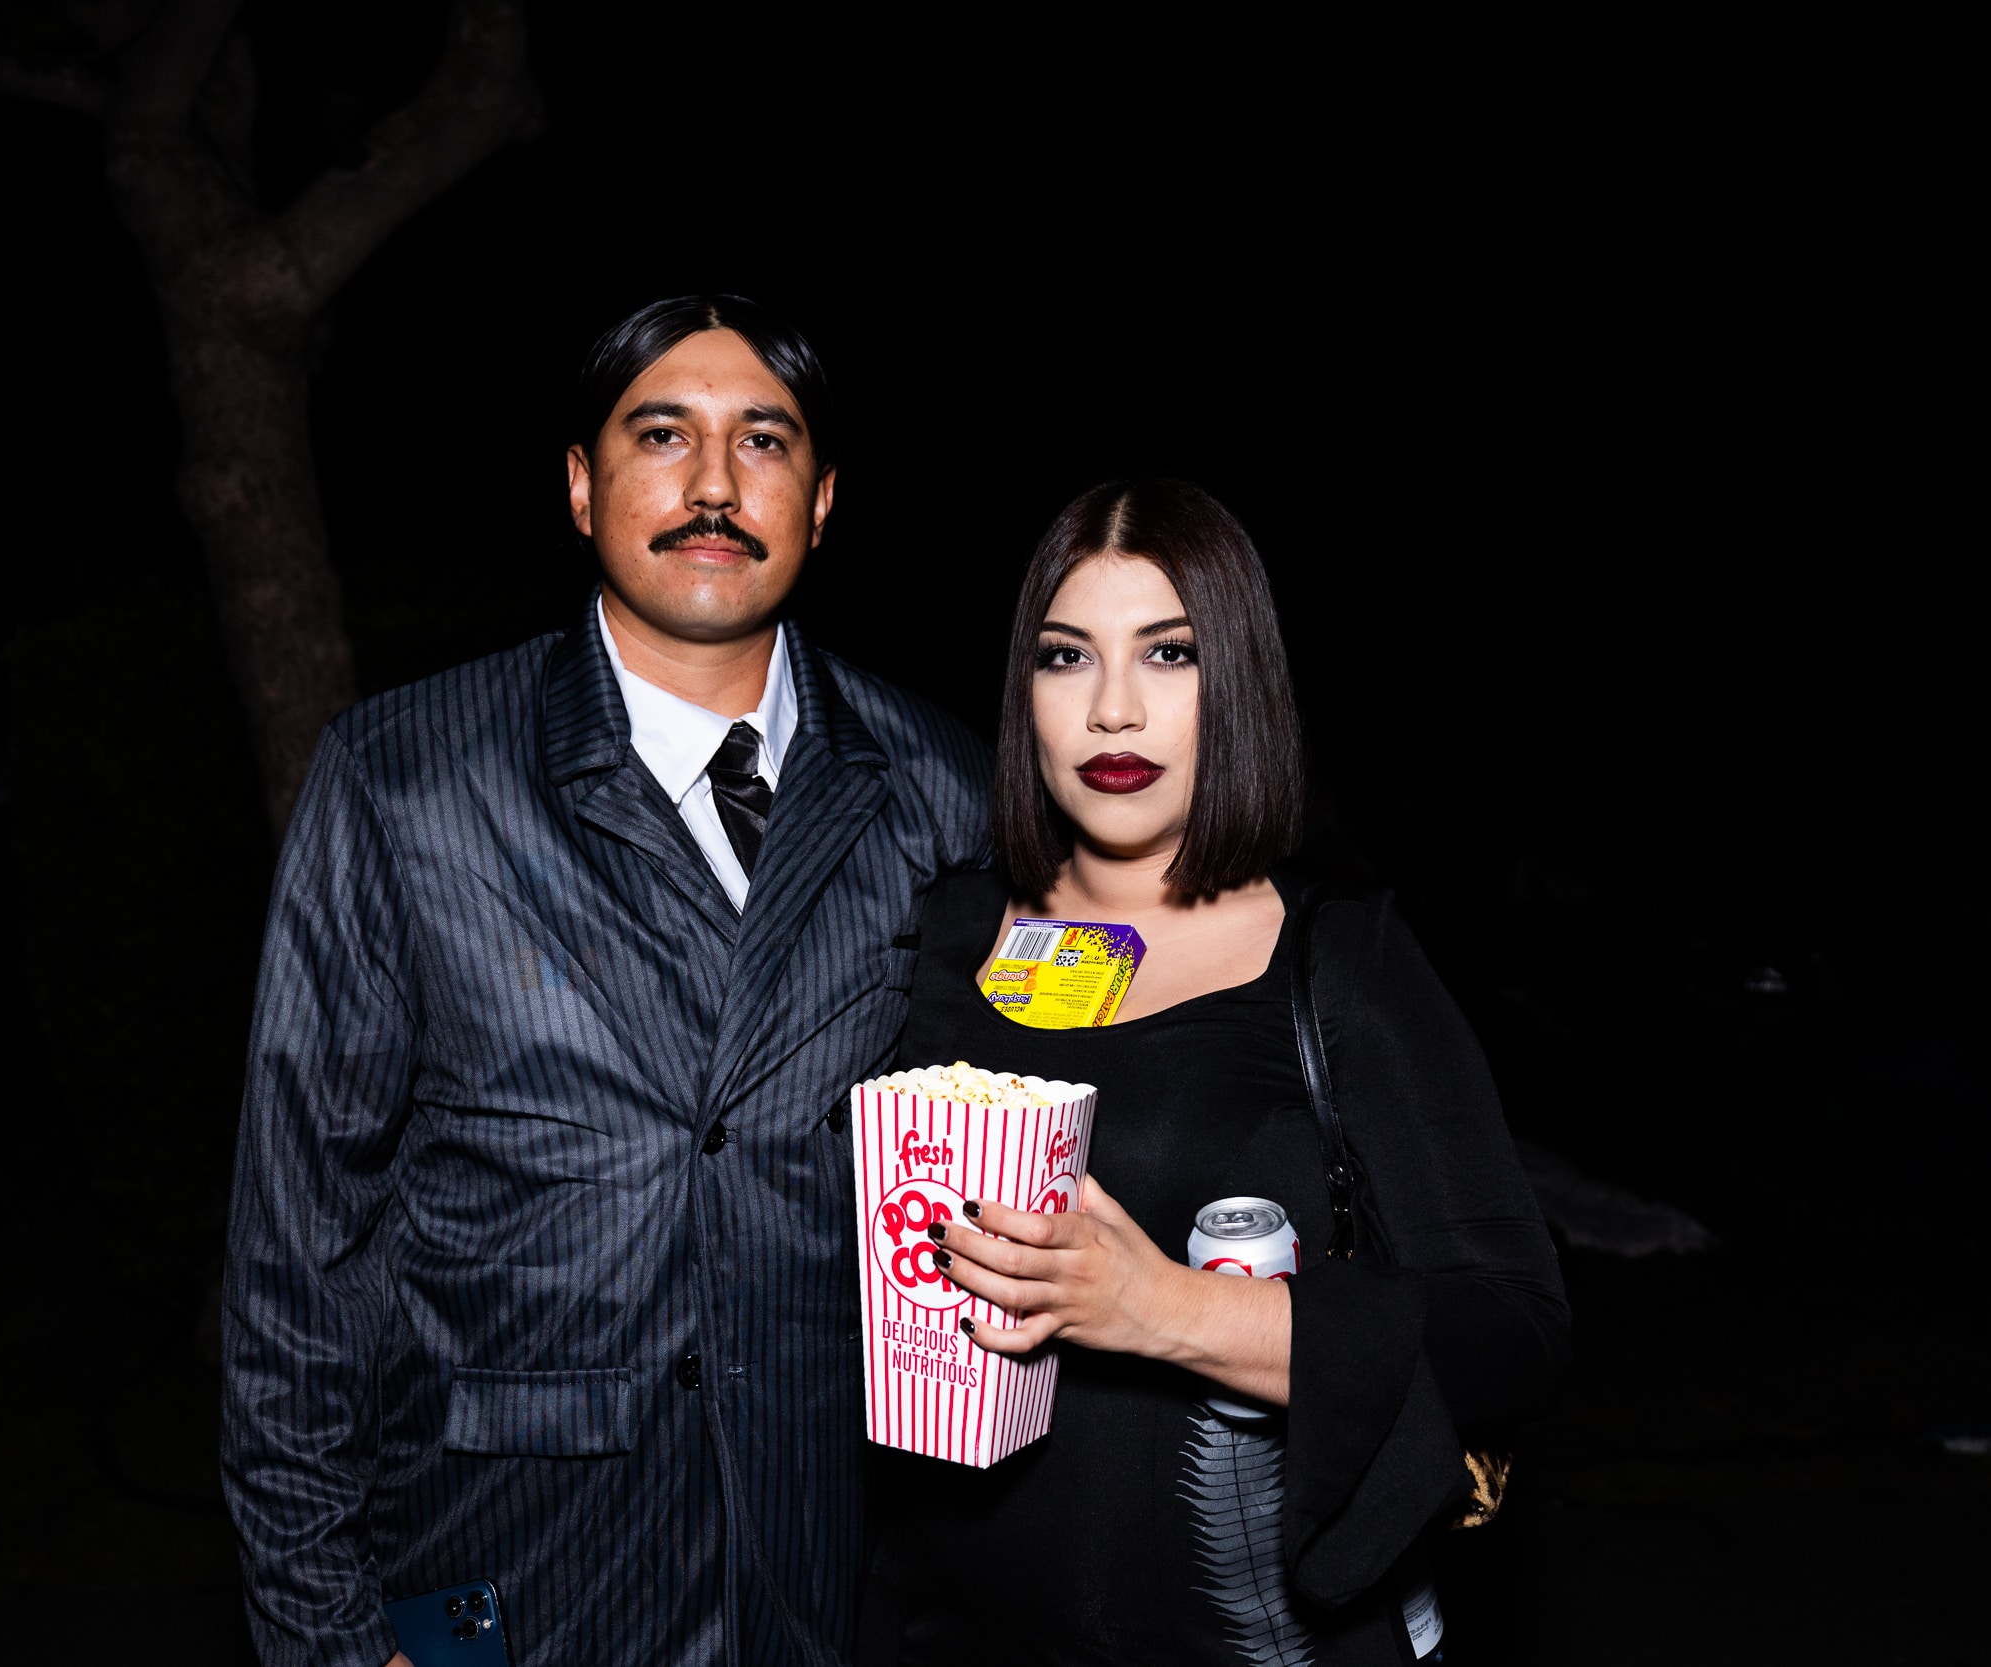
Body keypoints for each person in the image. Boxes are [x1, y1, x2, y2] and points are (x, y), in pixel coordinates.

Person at [221, 295, 990, 1667]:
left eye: (763, 440)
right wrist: (325, 1632)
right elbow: (299, 1250)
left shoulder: (936, 788)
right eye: (663, 435)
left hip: (832, 1566)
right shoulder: (405, 778)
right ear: (582, 486)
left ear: (821, 500)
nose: (714, 485)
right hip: (512, 1563)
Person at [857, 479, 1571, 1665]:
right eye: (1066, 656)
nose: (1114, 709)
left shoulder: (1337, 957)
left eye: (1169, 652)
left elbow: (1517, 1333)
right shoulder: (935, 930)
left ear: (1236, 678)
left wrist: (1169, 1309)